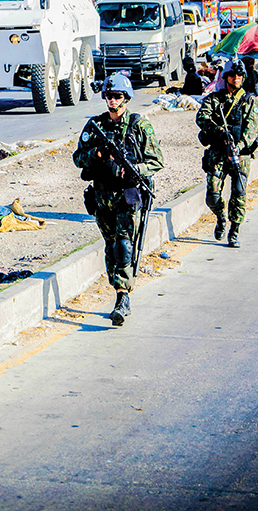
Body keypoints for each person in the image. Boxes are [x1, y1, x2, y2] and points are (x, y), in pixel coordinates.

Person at [72, 72, 164, 326]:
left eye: (117, 96)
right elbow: (78, 158)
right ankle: (118, 286)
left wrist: (135, 169)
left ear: (127, 98)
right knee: (111, 248)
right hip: (102, 197)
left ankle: (122, 298)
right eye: (109, 96)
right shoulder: (95, 127)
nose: (112, 100)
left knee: (124, 246)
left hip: (126, 195)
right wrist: (97, 153)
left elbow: (157, 161)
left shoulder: (138, 126)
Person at [196, 61, 258, 249]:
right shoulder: (214, 99)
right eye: (233, 75)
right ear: (225, 77)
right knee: (212, 195)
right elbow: (201, 117)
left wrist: (238, 146)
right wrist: (218, 131)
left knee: (239, 194)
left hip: (239, 156)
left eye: (240, 76)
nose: (237, 79)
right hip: (218, 153)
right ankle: (220, 217)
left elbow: (251, 130)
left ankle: (234, 230)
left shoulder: (250, 100)